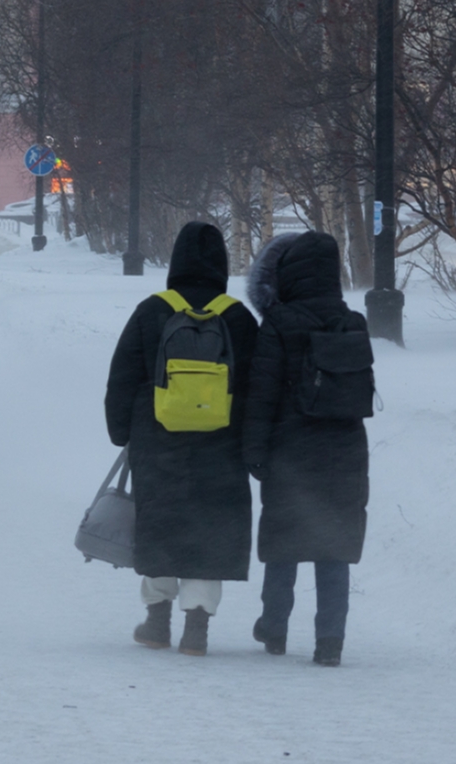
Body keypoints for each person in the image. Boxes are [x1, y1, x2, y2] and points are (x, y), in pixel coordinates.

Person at [104, 222, 257, 656]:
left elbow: (122, 375)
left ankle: (156, 623)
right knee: (212, 529)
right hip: (221, 444)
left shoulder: (153, 310)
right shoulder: (238, 317)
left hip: (158, 439)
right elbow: (257, 384)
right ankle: (197, 628)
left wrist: (121, 432)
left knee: (159, 524)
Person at [243, 231, 370, 668]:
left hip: (290, 450)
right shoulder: (352, 322)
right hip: (345, 453)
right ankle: (330, 640)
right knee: (334, 549)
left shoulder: (278, 324)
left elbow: (262, 393)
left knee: (284, 544)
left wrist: (254, 451)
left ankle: (274, 628)